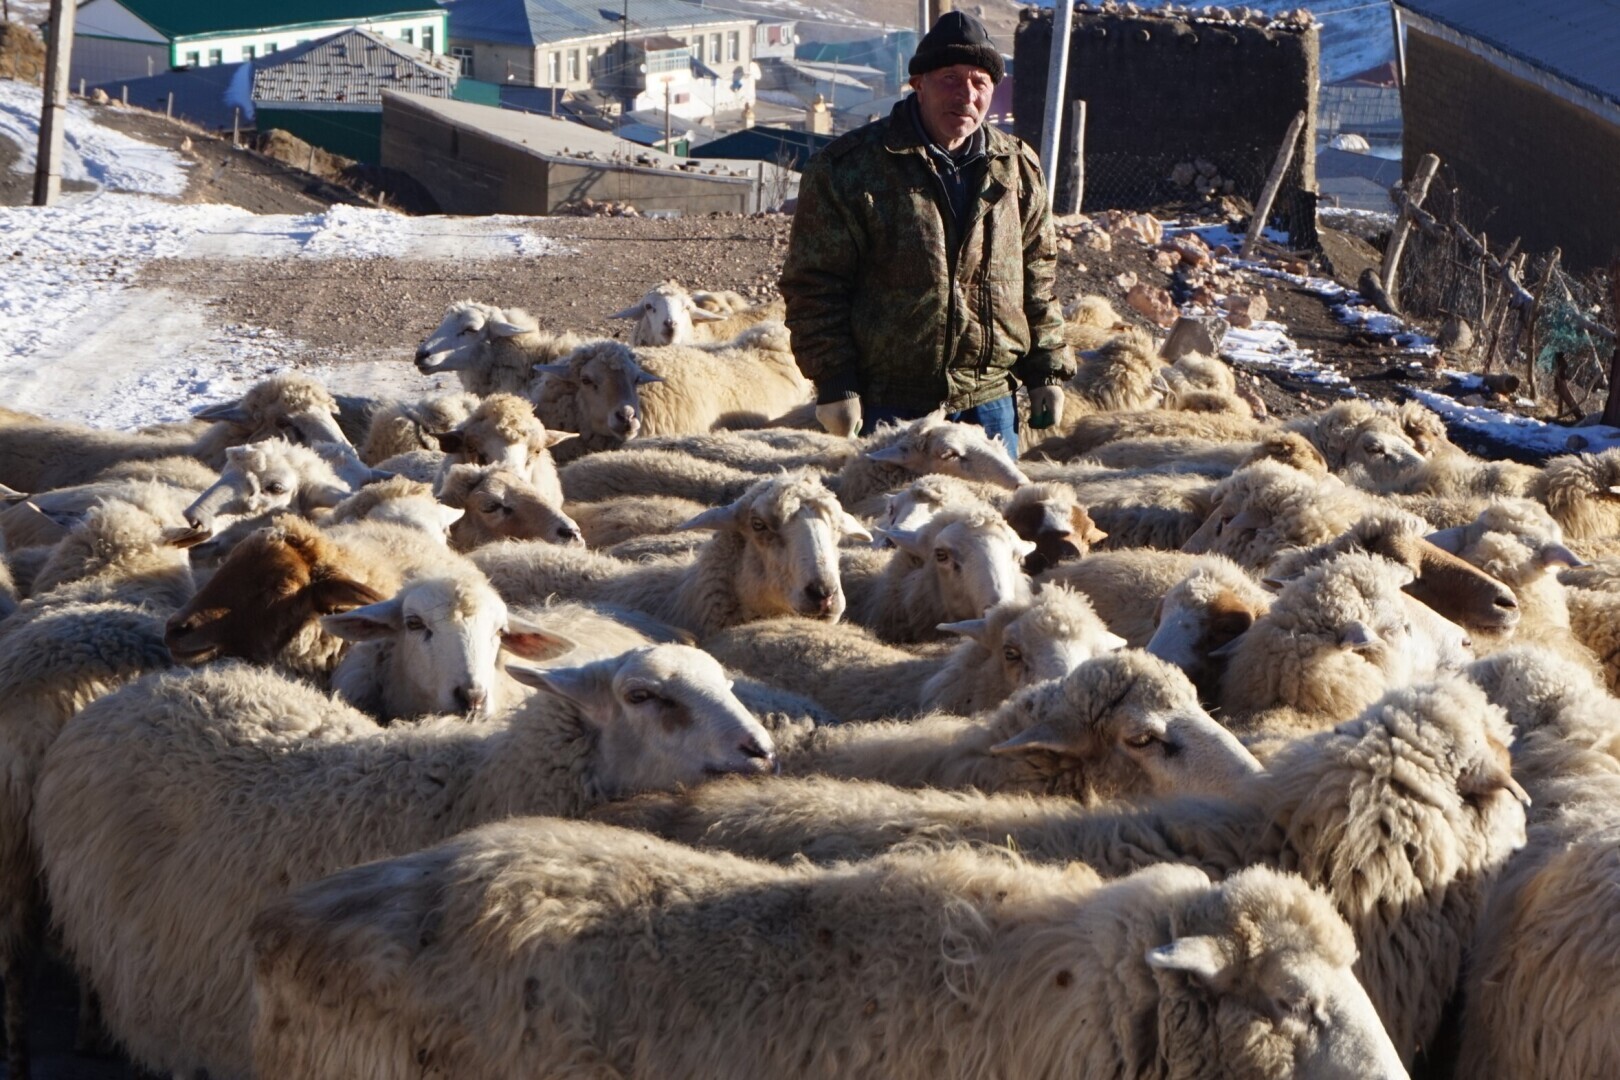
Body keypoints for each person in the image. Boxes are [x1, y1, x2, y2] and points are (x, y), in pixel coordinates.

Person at [779, 10, 1072, 456]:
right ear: (918, 84)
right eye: (950, 78)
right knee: (892, 523)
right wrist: (835, 382)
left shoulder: (1018, 168)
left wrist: (1046, 370)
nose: (967, 95)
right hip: (890, 406)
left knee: (986, 523)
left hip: (990, 405)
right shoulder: (849, 168)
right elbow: (815, 285)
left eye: (979, 82)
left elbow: (1038, 277)